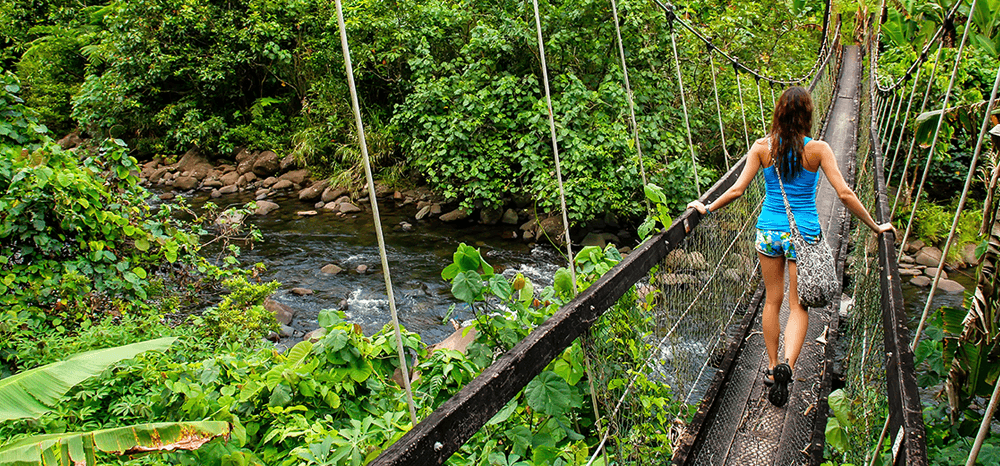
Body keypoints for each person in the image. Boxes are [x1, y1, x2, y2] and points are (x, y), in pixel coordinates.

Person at [686, 86, 895, 407]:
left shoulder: (761, 148)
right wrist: (876, 225)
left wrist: (706, 206)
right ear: (809, 115)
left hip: (769, 232)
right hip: (805, 235)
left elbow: (738, 190)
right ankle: (788, 366)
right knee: (798, 306)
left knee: (773, 300)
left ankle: (771, 367)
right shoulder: (819, 150)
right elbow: (844, 194)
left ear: (778, 113)